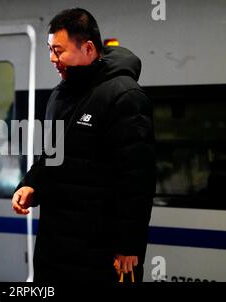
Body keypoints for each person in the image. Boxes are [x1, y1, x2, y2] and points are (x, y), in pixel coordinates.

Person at [12, 8, 156, 282]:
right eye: (50, 49)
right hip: (55, 245)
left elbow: (137, 179)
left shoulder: (125, 95)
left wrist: (128, 245)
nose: (52, 58)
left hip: (101, 252)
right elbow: (50, 156)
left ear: (88, 48)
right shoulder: (60, 94)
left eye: (58, 50)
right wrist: (31, 184)